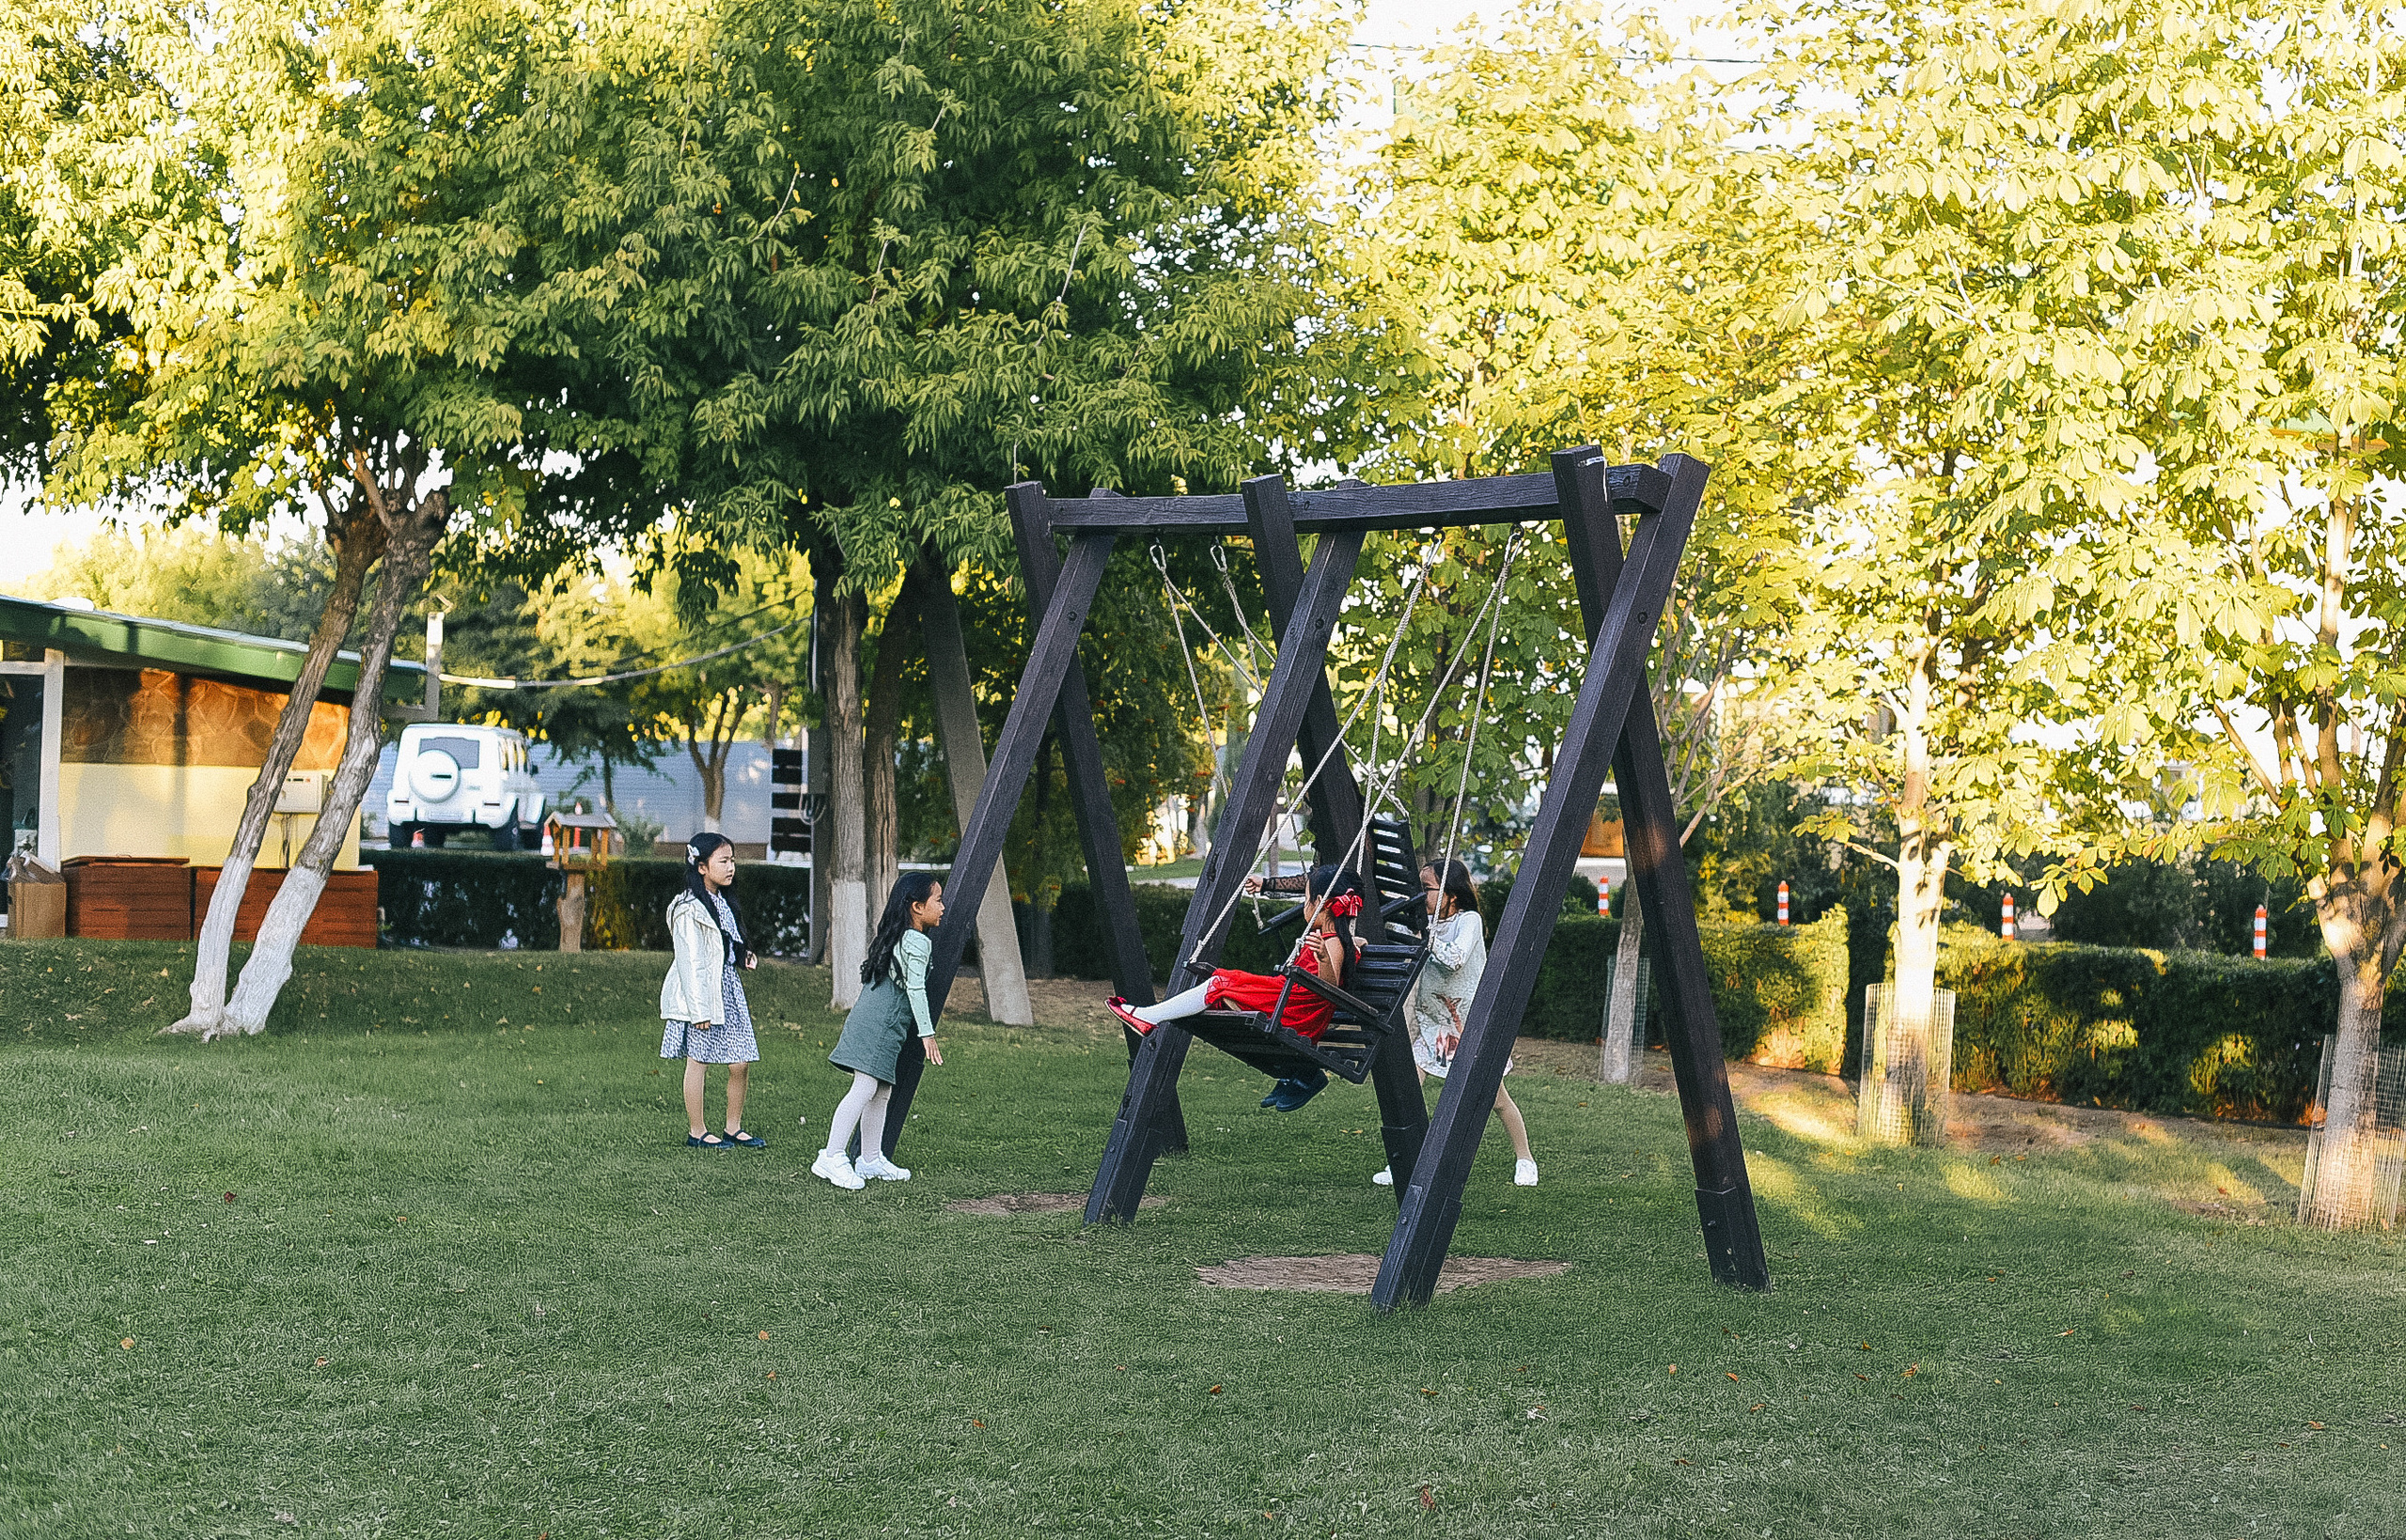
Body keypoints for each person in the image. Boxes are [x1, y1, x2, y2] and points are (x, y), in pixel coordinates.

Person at [1108, 863, 1365, 1112]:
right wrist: (1350, 943)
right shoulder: (1335, 940)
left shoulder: (1331, 944)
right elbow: (1343, 952)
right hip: (1289, 1001)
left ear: (1320, 901)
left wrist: (1323, 959)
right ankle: (1149, 1016)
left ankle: (1148, 1017)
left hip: (1294, 1012)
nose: (1303, 905)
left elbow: (1330, 988)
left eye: (1306, 898)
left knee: (1222, 984)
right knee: (1225, 984)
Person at [1372, 859, 1538, 1187]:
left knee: (1496, 1100)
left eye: (1428, 890)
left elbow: (1454, 960)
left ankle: (1525, 1159)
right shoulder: (1421, 924)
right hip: (1432, 1026)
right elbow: (1395, 943)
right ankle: (1402, 1164)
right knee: (1407, 1095)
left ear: (1452, 895)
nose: (1421, 897)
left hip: (1469, 1027)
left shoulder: (1469, 921)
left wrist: (1425, 932)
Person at [814, 873, 947, 1190]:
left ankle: (870, 1160)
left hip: (881, 1027)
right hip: (879, 1028)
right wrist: (927, 1034)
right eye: (937, 900)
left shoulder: (900, 935)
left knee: (881, 1092)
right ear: (917, 907)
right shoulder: (916, 941)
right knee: (864, 1089)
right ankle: (831, 1156)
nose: (943, 907)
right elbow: (916, 988)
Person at [659, 832, 763, 1150]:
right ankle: (697, 1131)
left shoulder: (723, 901)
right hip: (702, 994)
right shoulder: (688, 908)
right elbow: (690, 962)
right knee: (698, 1060)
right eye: (724, 861)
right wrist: (699, 1010)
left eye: (732, 860)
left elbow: (724, 945)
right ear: (702, 867)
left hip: (728, 990)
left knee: (740, 1061)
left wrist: (743, 955)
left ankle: (733, 1126)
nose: (731, 867)